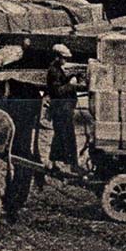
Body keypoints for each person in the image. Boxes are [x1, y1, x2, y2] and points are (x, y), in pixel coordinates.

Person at [45, 44, 80, 172]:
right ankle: (72, 165)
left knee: (60, 136)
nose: (65, 60)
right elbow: (57, 91)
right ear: (57, 57)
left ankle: (55, 163)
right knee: (66, 136)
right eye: (64, 58)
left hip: (62, 110)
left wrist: (71, 78)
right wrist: (71, 84)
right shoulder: (53, 71)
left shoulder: (57, 69)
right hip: (60, 110)